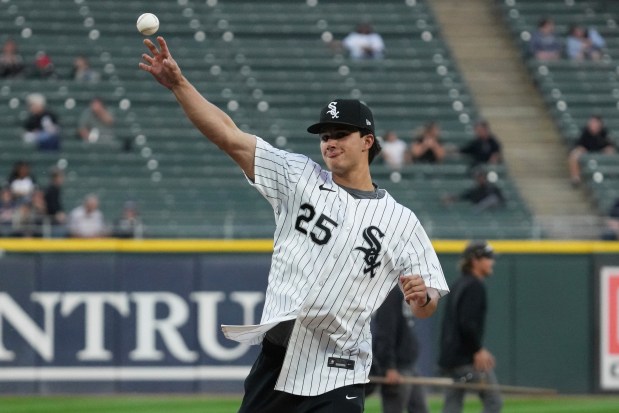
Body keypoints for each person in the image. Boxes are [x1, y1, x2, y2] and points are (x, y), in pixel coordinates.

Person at [139, 36, 449, 413]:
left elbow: (427, 302)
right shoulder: (298, 177)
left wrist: (423, 298)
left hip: (340, 367)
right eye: (325, 136)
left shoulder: (401, 221)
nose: (329, 142)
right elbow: (229, 136)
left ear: (367, 141)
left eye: (340, 134)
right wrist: (179, 84)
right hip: (277, 359)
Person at [438, 241, 503, 413]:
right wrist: (478, 349)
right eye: (488, 258)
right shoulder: (474, 286)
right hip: (466, 359)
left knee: (452, 405)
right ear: (475, 260)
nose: (492, 262)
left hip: (452, 358)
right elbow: (467, 323)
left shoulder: (459, 283)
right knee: (493, 401)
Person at [372, 287, 429, 413]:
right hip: (397, 368)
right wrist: (389, 367)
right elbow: (385, 332)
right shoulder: (389, 293)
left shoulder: (403, 292)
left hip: (409, 365)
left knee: (420, 409)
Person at [568, 115, 615, 187]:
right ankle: (576, 178)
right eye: (592, 122)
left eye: (595, 123)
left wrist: (607, 149)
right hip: (586, 152)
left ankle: (611, 177)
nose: (593, 124)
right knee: (574, 155)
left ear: (600, 124)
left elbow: (609, 145)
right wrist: (581, 148)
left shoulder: (604, 133)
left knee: (611, 152)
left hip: (600, 153)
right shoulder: (585, 132)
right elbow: (578, 145)